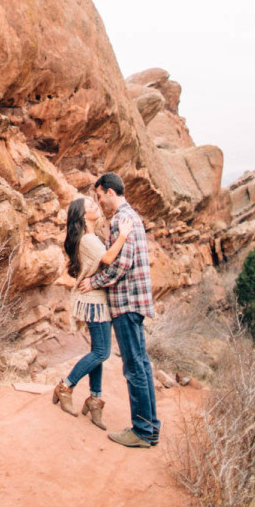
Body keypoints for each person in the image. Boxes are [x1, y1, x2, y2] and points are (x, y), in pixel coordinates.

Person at [78, 172, 160, 448]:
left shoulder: (121, 220)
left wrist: (94, 281)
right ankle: (150, 428)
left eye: (100, 195)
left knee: (134, 368)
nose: (99, 201)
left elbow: (120, 265)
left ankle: (141, 431)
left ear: (110, 192)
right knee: (142, 365)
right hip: (136, 301)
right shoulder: (132, 217)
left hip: (125, 303)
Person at [52, 195, 134, 427]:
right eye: (89, 205)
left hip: (98, 299)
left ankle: (95, 399)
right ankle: (66, 386)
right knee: (101, 352)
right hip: (94, 301)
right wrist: (125, 235)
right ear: (81, 215)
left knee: (98, 351)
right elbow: (108, 258)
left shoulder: (91, 237)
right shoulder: (87, 239)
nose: (95, 205)